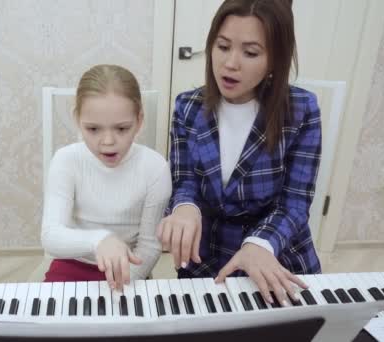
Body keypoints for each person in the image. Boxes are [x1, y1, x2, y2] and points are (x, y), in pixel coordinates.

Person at [157, 0, 321, 307]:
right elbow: (185, 181)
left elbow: (296, 202)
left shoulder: (301, 110)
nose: (230, 63)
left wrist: (260, 243)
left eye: (250, 52)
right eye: (222, 46)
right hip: (206, 260)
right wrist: (184, 207)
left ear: (275, 60)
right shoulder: (187, 106)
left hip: (275, 257)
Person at [41, 64, 172, 290]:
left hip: (129, 269)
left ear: (139, 120)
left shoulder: (155, 168)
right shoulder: (66, 160)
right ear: (77, 120)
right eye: (93, 129)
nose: (108, 141)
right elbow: (51, 236)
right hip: (73, 262)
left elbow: (149, 248)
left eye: (121, 129)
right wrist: (99, 240)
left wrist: (122, 281)